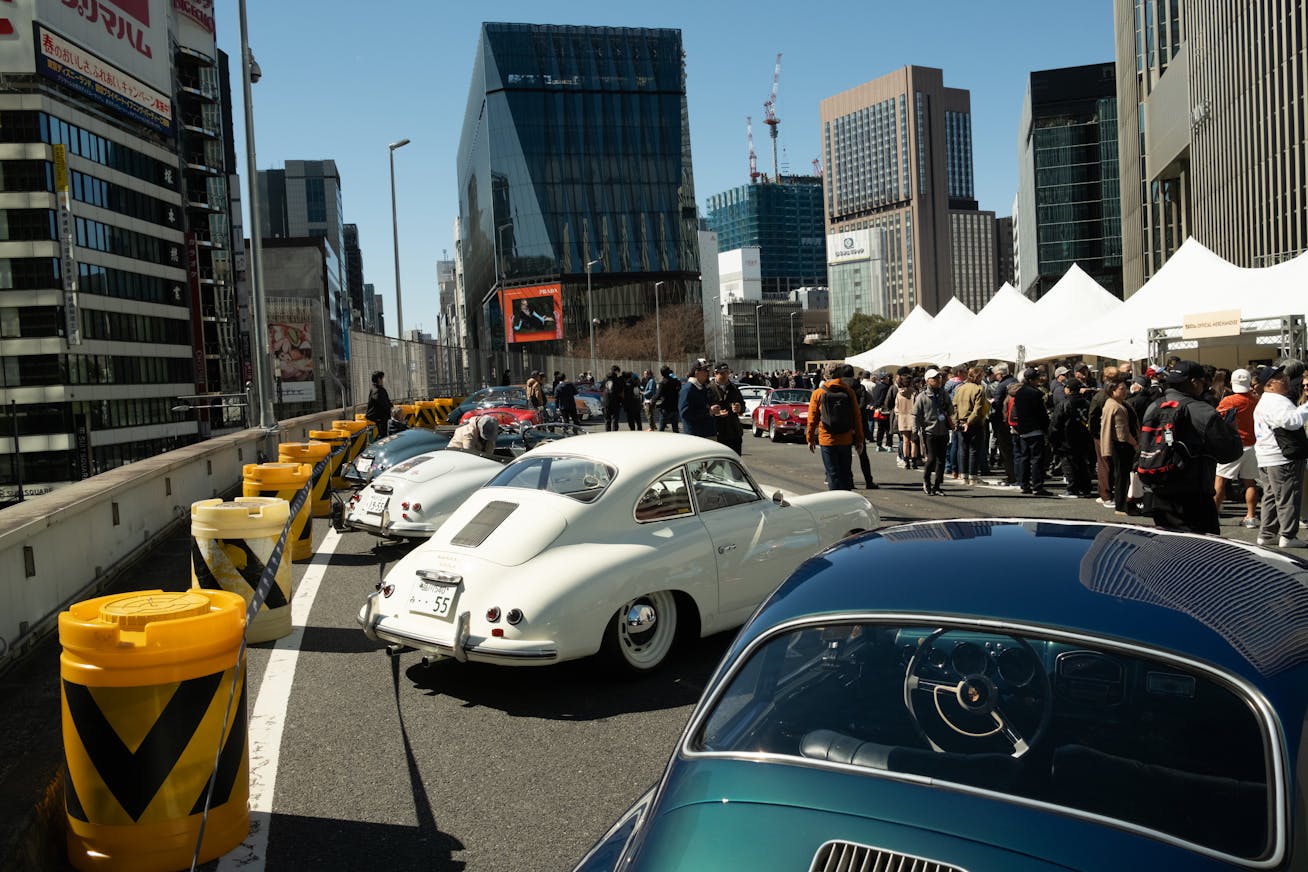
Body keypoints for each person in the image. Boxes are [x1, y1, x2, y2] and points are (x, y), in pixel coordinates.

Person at [1139, 360, 1243, 535]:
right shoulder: (1202, 411)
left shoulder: (1154, 406)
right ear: (1194, 382)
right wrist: (1232, 430)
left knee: (1166, 543)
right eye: (1203, 381)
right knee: (1202, 548)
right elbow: (1229, 453)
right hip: (1193, 496)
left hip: (1158, 491)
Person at [1253, 361, 1308, 547]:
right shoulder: (1277, 401)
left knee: (1271, 496)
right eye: (1280, 378)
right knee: (1288, 495)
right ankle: (1288, 535)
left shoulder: (1265, 401)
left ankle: (1267, 534)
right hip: (1281, 457)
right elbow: (1291, 421)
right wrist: (1306, 408)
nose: (1285, 380)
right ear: (1269, 385)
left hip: (1266, 455)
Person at [807, 364, 865, 491]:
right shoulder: (848, 392)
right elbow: (857, 417)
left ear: (825, 376)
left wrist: (810, 438)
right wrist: (859, 440)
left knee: (832, 474)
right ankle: (846, 498)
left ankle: (835, 498)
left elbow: (812, 419)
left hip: (827, 439)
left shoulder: (818, 393)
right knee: (846, 474)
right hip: (845, 438)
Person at [1214, 368, 1259, 528]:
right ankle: (1251, 517)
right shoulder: (1256, 399)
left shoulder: (1229, 400)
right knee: (1250, 482)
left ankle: (1214, 514)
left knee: (1220, 480)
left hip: (1232, 445)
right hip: (1252, 445)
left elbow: (1217, 419)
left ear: (1232, 382)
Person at [1100, 377, 1140, 515]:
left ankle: (1124, 504)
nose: (1125, 391)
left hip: (1121, 444)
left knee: (1122, 476)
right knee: (1122, 477)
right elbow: (1122, 432)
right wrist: (1135, 444)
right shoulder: (1115, 406)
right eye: (1121, 389)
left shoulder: (1117, 404)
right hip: (1122, 445)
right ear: (1112, 390)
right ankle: (1122, 506)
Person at [1011, 368, 1052, 496]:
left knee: (1024, 458)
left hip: (1022, 429)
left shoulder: (1019, 393)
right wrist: (1046, 428)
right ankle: (1037, 486)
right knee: (1037, 459)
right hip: (1035, 429)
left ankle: (1024, 484)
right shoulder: (1035, 393)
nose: (1038, 380)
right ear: (1031, 380)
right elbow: (1041, 413)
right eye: (1037, 378)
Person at [913, 368, 953, 495]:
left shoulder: (944, 394)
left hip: (943, 431)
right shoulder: (922, 397)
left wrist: (947, 408)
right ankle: (926, 481)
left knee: (941, 459)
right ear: (927, 381)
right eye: (934, 378)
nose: (937, 380)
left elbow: (951, 410)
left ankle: (937, 485)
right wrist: (915, 431)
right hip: (929, 431)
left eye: (938, 378)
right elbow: (915, 415)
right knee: (931, 459)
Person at [952, 367, 989, 485]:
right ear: (978, 377)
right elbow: (977, 410)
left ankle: (964, 476)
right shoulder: (979, 389)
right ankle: (973, 476)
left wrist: (956, 422)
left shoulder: (960, 388)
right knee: (974, 449)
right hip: (974, 423)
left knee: (963, 449)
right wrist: (969, 422)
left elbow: (954, 406)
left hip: (961, 421)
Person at [987, 363, 1016, 484]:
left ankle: (1011, 475)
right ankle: (1017, 474)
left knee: (1005, 449)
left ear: (1000, 374)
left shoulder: (1001, 386)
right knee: (1015, 449)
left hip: (1002, 420)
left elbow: (997, 404)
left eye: (996, 374)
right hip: (1015, 420)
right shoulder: (1015, 381)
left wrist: (991, 402)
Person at [850, 372, 879, 489]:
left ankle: (849, 480)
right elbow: (866, 401)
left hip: (845, 424)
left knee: (846, 454)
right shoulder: (860, 387)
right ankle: (868, 480)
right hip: (859, 422)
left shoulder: (841, 387)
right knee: (863, 454)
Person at [709, 363, 746, 455]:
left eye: (727, 372)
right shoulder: (709, 388)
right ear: (715, 373)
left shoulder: (734, 388)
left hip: (734, 432)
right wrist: (716, 413)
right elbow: (703, 409)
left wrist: (739, 408)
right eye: (722, 373)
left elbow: (743, 406)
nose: (725, 376)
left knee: (735, 460)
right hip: (716, 432)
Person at [679, 361, 716, 439]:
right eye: (705, 370)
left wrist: (714, 410)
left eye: (708, 370)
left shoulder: (703, 387)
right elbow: (685, 413)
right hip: (696, 436)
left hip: (708, 433)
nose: (708, 372)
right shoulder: (688, 389)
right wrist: (708, 412)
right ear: (696, 372)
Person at [895, 376, 919, 470]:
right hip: (913, 418)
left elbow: (896, 408)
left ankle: (906, 461)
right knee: (914, 441)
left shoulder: (899, 393)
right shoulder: (914, 393)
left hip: (902, 418)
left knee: (905, 441)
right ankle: (914, 461)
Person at [365, 370, 391, 437]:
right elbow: (383, 403)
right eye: (382, 378)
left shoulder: (374, 388)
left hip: (377, 417)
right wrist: (390, 410)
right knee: (383, 436)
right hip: (380, 418)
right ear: (379, 379)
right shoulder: (378, 390)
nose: (383, 380)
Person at [655, 366, 682, 432]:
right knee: (675, 429)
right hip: (674, 408)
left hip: (665, 408)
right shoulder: (676, 381)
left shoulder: (662, 383)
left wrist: (652, 400)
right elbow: (679, 389)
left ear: (661, 374)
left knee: (661, 429)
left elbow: (658, 395)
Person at [602, 365, 626, 431]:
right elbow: (621, 391)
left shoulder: (605, 378)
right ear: (616, 371)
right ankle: (614, 433)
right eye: (618, 372)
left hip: (606, 401)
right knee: (615, 419)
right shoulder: (617, 380)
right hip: (615, 401)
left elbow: (601, 387)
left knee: (607, 419)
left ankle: (608, 432)